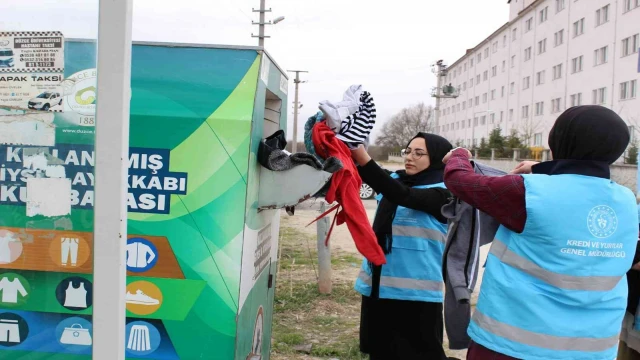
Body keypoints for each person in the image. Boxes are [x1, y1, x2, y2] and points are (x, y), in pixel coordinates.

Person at [441, 105, 638, 360]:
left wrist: (458, 155)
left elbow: (460, 181)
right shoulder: (625, 199)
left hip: (513, 345)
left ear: (558, 140)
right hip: (593, 349)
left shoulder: (527, 192)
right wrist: (543, 168)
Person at [351, 132, 455, 360]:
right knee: (380, 351)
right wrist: (342, 141)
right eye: (407, 151)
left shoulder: (444, 193)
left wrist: (363, 156)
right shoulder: (396, 180)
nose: (410, 157)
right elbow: (358, 171)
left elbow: (403, 195)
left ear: (437, 157)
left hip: (417, 293)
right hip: (379, 286)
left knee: (420, 353)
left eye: (419, 153)